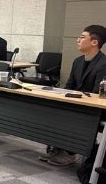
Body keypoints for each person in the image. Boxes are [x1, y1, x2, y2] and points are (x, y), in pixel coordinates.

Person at [40, 25, 106, 166]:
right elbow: (69, 85)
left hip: (93, 108)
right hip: (76, 103)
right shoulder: (78, 61)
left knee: (70, 114)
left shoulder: (103, 64)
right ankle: (57, 148)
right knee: (52, 109)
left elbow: (97, 94)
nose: (78, 40)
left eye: (82, 37)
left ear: (94, 42)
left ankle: (70, 153)